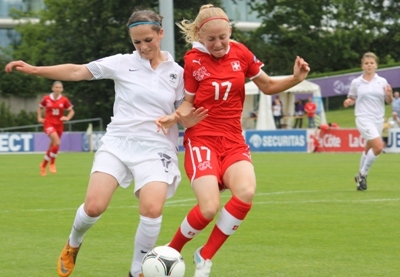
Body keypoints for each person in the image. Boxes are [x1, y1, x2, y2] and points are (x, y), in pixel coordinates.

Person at [5, 8, 207, 277]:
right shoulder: (123, 62)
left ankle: (137, 271)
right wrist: (34, 69)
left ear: (160, 33)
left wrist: (180, 118)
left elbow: (185, 106)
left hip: (157, 146)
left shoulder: (178, 73)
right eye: (137, 42)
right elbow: (78, 71)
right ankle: (73, 243)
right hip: (118, 142)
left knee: (152, 208)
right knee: (94, 206)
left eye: (148, 40)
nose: (143, 46)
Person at [155, 4, 310, 276]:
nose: (218, 43)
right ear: (200, 37)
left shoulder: (241, 53)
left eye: (222, 37)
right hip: (202, 138)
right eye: (211, 39)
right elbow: (188, 104)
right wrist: (176, 116)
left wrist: (296, 79)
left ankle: (205, 256)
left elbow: (268, 86)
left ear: (230, 32)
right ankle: (172, 251)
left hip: (233, 140)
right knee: (209, 208)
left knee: (246, 192)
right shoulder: (193, 60)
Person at [343, 52, 393, 191]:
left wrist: (389, 95)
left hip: (378, 119)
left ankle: (360, 179)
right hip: (363, 118)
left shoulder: (382, 81)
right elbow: (352, 98)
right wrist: (349, 101)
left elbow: (389, 101)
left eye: (371, 63)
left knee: (369, 148)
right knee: (378, 147)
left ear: (376, 65)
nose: (369, 65)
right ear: (362, 65)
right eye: (366, 63)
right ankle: (362, 174)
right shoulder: (356, 82)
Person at [37, 81, 74, 176]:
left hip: (59, 125)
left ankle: (43, 165)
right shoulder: (46, 98)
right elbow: (40, 107)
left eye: (60, 88)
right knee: (57, 142)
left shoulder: (64, 100)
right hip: (48, 123)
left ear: (62, 89)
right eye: (56, 87)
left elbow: (71, 111)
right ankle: (52, 163)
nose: (58, 89)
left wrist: (67, 118)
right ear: (52, 88)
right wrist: (39, 118)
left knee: (53, 146)